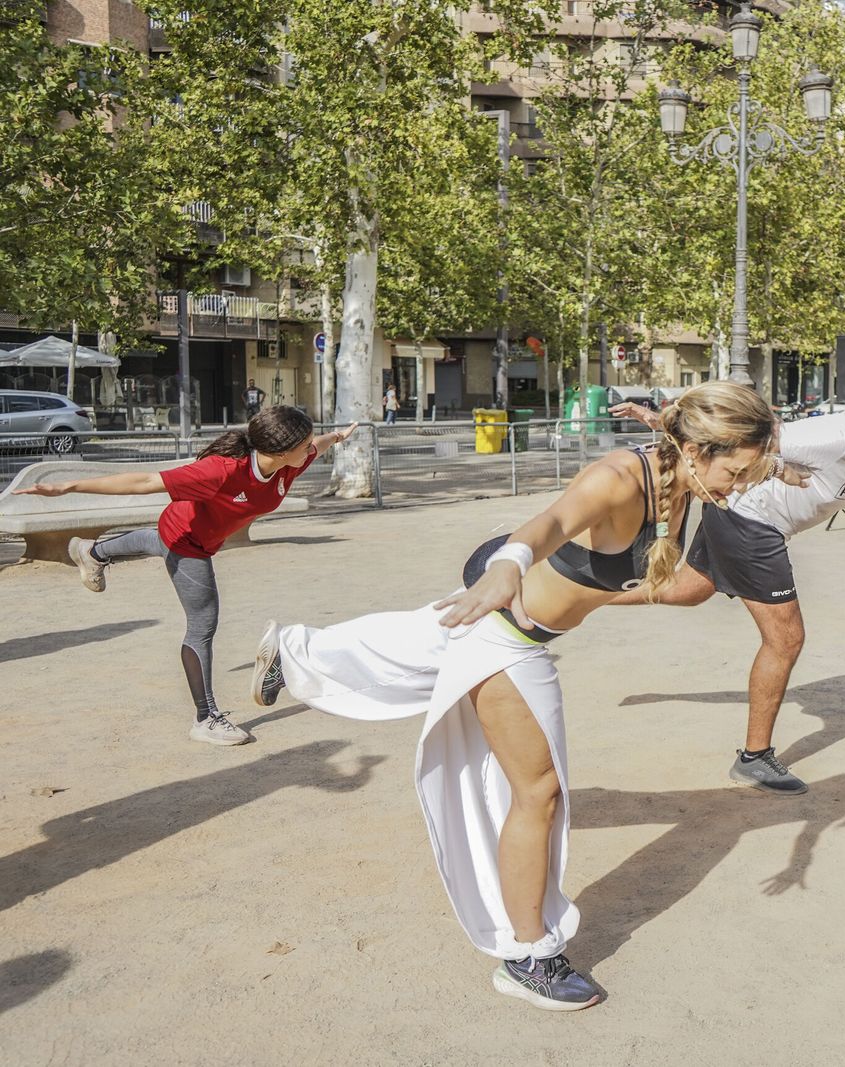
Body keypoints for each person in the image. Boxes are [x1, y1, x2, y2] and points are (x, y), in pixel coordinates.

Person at [245, 382, 776, 1011]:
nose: (740, 485)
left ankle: (295, 654)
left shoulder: (683, 460)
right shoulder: (617, 478)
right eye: (737, 471)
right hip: (507, 628)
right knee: (539, 791)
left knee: (419, 637)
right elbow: (549, 523)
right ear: (696, 448)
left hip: (510, 618)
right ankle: (529, 956)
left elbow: (707, 439)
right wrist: (509, 564)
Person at [607, 389, 845, 795]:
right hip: (752, 523)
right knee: (786, 639)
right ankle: (754, 759)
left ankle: (583, 595)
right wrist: (665, 422)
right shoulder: (840, 437)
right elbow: (743, 437)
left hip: (745, 519)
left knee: (687, 590)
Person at [17, 406, 354, 746]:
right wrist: (69, 486)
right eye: (306, 443)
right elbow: (145, 482)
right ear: (282, 450)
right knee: (202, 623)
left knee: (156, 541)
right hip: (187, 539)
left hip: (192, 533)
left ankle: (93, 552)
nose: (312, 448)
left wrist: (337, 437)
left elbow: (320, 444)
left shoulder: (289, 463)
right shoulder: (222, 470)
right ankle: (205, 718)